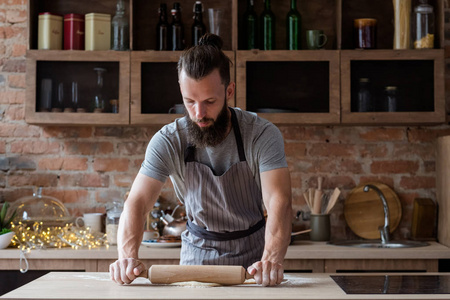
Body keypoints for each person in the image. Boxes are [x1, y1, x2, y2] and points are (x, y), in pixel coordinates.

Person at [109, 33, 292, 287]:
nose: (199, 113)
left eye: (209, 101)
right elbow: (137, 202)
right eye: (189, 102)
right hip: (195, 262)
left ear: (229, 91)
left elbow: (279, 202)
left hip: (254, 266)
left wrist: (271, 261)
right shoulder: (169, 140)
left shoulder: (261, 134)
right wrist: (127, 259)